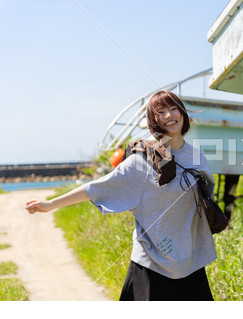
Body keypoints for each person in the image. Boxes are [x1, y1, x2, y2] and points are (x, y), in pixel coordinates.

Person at [25, 90, 217, 301]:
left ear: (182, 113)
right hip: (153, 265)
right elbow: (97, 188)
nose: (169, 116)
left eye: (173, 109)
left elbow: (207, 197)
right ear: (153, 121)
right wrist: (50, 204)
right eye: (161, 112)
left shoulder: (198, 157)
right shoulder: (142, 162)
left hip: (190, 262)